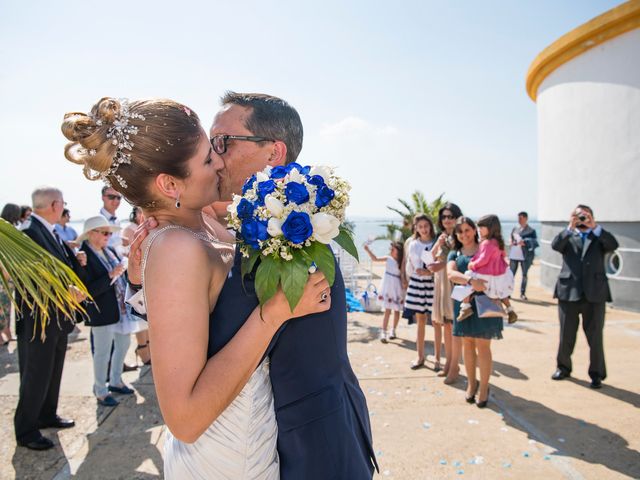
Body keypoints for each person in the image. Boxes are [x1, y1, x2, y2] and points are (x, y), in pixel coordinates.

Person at [61, 96, 340, 479]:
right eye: (209, 158)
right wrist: (274, 313)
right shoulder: (176, 245)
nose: (221, 162)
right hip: (226, 451)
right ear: (169, 183)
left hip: (258, 428)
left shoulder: (205, 223)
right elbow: (186, 420)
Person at [128, 92, 377, 479]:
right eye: (210, 145)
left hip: (316, 448)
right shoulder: (222, 229)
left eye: (223, 142)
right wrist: (144, 280)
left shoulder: (298, 233)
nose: (214, 155)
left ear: (273, 154)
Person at [14, 187, 87, 450]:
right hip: (38, 320)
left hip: (57, 316)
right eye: (63, 203)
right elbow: (29, 275)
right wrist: (63, 290)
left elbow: (60, 267)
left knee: (53, 370)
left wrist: (77, 260)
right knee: (35, 373)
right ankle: (26, 430)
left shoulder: (51, 232)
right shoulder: (28, 233)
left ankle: (47, 413)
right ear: (56, 205)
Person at [550, 205, 618, 389]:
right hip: (568, 292)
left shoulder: (598, 236)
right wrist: (569, 227)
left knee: (595, 337)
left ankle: (596, 374)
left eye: (584, 216)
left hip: (594, 294)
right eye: (578, 216)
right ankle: (563, 368)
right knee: (566, 334)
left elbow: (613, 245)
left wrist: (595, 227)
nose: (581, 219)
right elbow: (555, 245)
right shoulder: (568, 235)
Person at [78, 216, 136, 406]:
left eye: (109, 233)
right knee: (102, 353)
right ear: (90, 234)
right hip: (101, 312)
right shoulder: (83, 256)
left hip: (119, 310)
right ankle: (100, 390)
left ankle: (116, 381)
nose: (108, 236)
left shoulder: (109, 251)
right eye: (104, 232)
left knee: (123, 345)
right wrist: (112, 275)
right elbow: (86, 290)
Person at [448, 216, 503, 407]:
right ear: (456, 234)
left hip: (485, 303)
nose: (464, 234)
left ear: (475, 230)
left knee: (483, 346)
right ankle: (471, 384)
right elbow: (451, 274)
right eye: (460, 231)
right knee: (468, 345)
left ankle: (484, 387)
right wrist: (472, 282)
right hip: (463, 305)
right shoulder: (454, 254)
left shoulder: (486, 248)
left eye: (467, 230)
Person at [457, 214, 517, 324]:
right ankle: (509, 309)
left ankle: (465, 307)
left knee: (468, 276)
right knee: (502, 292)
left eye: (481, 228)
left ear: (490, 228)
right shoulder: (498, 242)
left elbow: (483, 259)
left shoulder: (486, 243)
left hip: (487, 273)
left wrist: (473, 264)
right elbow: (503, 255)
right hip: (499, 274)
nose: (479, 230)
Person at [428, 202, 463, 384]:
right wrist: (438, 244)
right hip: (441, 282)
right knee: (446, 326)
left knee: (454, 326)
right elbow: (430, 258)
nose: (447, 220)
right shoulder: (442, 236)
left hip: (453, 283)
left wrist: (441, 265)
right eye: (444, 217)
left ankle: (454, 366)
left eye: (450, 216)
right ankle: (449, 364)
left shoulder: (460, 235)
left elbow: (459, 259)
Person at [404, 214, 436, 370]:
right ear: (416, 228)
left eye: (426, 226)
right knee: (420, 321)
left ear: (430, 226)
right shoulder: (413, 244)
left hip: (432, 284)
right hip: (417, 283)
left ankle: (437, 358)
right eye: (420, 226)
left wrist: (429, 273)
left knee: (437, 321)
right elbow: (411, 265)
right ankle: (420, 356)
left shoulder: (436, 242)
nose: (424, 229)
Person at [121, 206, 151, 365]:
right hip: (134, 270)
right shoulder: (129, 228)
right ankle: (142, 349)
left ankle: (147, 348)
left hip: (147, 270)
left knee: (147, 319)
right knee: (138, 317)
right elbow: (126, 249)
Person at [363, 241, 404, 343]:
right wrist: (368, 250)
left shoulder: (402, 261)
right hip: (387, 286)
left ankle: (393, 330)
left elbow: (403, 274)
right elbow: (375, 259)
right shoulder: (388, 258)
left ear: (398, 251)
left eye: (392, 249)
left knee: (397, 310)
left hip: (397, 286)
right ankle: (384, 332)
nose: (390, 250)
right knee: (387, 310)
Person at [1, 203, 21, 345]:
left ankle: (7, 332)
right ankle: (3, 333)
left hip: (8, 272)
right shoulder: (6, 229)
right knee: (3, 305)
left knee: (7, 304)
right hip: (4, 272)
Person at [509, 211, 538, 300]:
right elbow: (511, 238)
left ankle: (522, 293)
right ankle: (508, 293)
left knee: (524, 275)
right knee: (511, 275)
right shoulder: (515, 229)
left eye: (521, 218)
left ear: (526, 218)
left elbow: (535, 242)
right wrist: (511, 242)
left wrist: (525, 242)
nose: (519, 220)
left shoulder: (531, 231)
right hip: (514, 255)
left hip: (524, 256)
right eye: (518, 218)